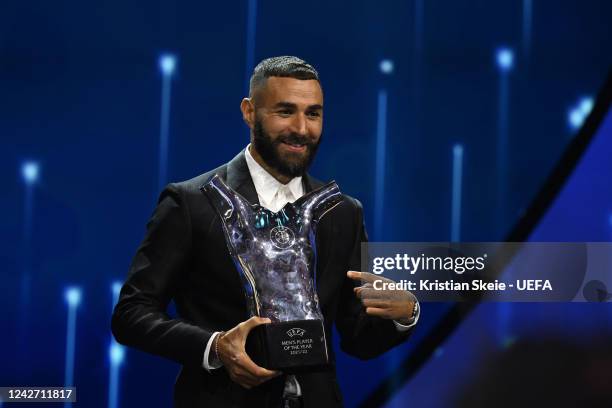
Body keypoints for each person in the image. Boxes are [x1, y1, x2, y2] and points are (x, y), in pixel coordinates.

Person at [111, 55, 419, 408]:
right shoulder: (191, 202)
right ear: (249, 111)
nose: (302, 129)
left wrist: (404, 314)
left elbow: (358, 338)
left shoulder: (343, 212)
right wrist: (215, 346)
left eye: (313, 113)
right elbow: (132, 314)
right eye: (285, 112)